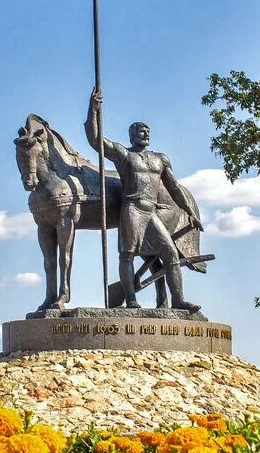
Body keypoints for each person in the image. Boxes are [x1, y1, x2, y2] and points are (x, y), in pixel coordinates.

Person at [85, 86, 203, 310]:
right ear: (131, 135)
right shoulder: (124, 155)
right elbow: (96, 140)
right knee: (127, 255)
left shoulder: (160, 159)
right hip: (132, 209)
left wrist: (189, 211)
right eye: (141, 131)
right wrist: (93, 109)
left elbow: (174, 188)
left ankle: (178, 300)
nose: (146, 134)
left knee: (169, 253)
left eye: (148, 131)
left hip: (151, 212)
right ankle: (131, 300)